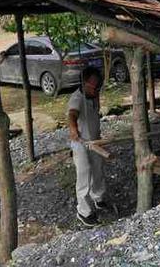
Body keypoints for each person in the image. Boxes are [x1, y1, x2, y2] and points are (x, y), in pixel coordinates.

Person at [67, 65, 107, 227]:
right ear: (84, 83)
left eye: (99, 84)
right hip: (80, 144)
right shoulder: (77, 98)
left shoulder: (94, 95)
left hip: (94, 141)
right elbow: (72, 114)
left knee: (97, 170)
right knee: (84, 175)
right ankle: (84, 212)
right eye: (94, 85)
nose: (97, 88)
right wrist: (73, 128)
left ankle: (98, 197)